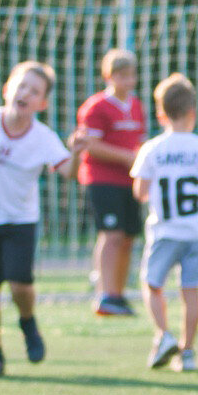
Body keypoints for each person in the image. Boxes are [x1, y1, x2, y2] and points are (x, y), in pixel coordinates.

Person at [0, 61, 82, 378]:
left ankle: (27, 322)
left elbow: (68, 171)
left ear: (42, 103)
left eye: (34, 91)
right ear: (7, 89)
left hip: (20, 220)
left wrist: (77, 152)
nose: (25, 94)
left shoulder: (44, 138)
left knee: (21, 285)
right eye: (21, 86)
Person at [130, 73, 198, 372]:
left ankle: (163, 334)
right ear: (192, 112)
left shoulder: (152, 148)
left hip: (164, 230)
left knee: (151, 283)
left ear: (160, 113)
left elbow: (140, 192)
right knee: (190, 291)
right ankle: (187, 352)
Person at [75, 49, 146, 317]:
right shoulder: (95, 107)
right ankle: (104, 294)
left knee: (128, 237)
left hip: (130, 180)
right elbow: (90, 146)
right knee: (111, 235)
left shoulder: (136, 105)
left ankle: (118, 293)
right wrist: (127, 157)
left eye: (131, 76)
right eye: (122, 76)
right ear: (109, 76)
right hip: (102, 180)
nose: (128, 81)